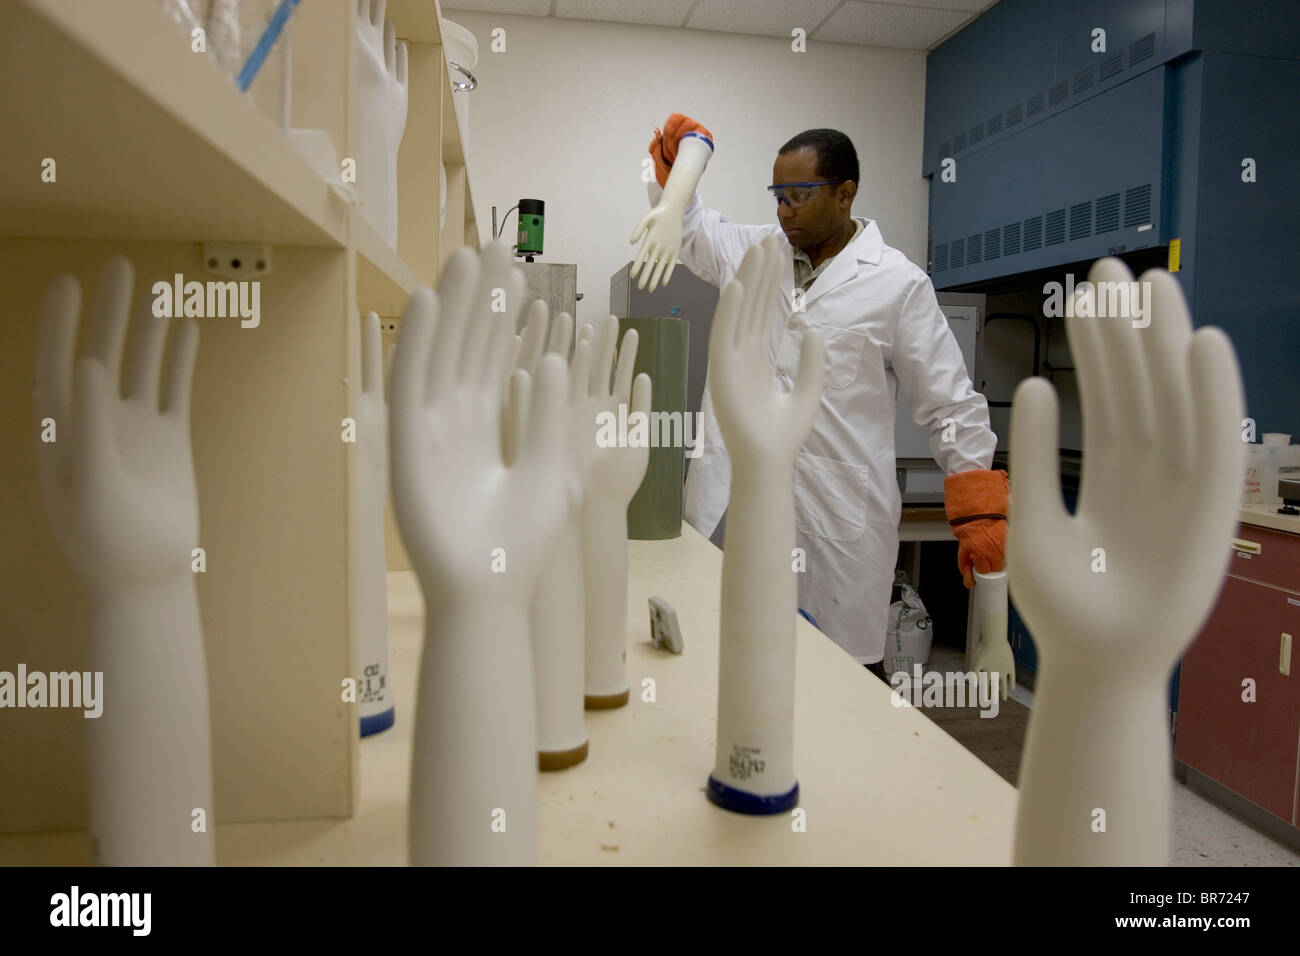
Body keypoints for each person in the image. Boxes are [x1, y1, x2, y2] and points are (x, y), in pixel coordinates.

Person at [643, 116, 1009, 669]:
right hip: (739, 512)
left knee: (838, 687)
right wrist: (673, 167)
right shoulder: (753, 253)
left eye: (799, 195)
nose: (783, 210)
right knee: (736, 667)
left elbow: (950, 405)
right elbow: (691, 229)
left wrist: (979, 517)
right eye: (777, 196)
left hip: (838, 527)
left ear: (845, 195)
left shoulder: (897, 283)